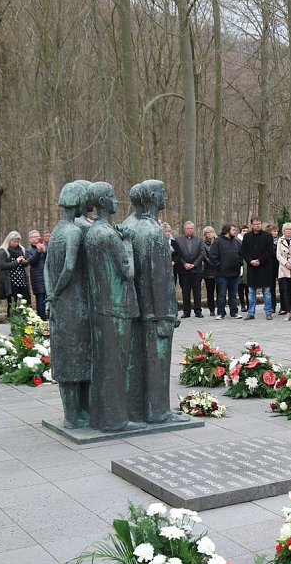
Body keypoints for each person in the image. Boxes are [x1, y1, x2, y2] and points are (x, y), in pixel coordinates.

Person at [121, 179, 184, 426]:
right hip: (155, 311)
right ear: (150, 198)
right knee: (156, 364)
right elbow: (161, 278)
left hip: (135, 308)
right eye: (161, 192)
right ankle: (158, 412)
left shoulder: (128, 225)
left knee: (136, 364)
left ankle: (137, 410)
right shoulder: (153, 231)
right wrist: (166, 314)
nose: (165, 196)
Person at [84, 182, 139, 433]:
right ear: (104, 202)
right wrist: (127, 242)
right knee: (116, 365)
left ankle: (100, 416)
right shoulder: (109, 234)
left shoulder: (93, 232)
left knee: (104, 363)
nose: (117, 200)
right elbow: (127, 272)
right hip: (116, 307)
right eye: (113, 197)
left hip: (100, 306)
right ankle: (116, 420)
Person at [44, 181, 90, 428]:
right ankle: (74, 415)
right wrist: (58, 292)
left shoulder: (57, 230)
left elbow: (47, 269)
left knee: (66, 356)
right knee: (75, 357)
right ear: (78, 203)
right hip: (74, 302)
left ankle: (72, 413)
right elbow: (69, 268)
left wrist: (50, 295)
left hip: (60, 303)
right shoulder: (73, 232)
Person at [241, 217, 275, 320]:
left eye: (259, 223)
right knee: (251, 291)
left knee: (267, 291)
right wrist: (250, 261)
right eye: (255, 224)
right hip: (252, 268)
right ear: (251, 225)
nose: (258, 225)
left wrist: (260, 260)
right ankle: (251, 312)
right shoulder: (247, 237)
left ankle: (268, 312)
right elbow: (244, 252)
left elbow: (270, 251)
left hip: (265, 267)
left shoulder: (268, 236)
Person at [210, 224, 243, 320]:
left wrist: (239, 264)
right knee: (221, 294)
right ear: (227, 230)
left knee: (233, 294)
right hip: (222, 274)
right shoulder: (218, 241)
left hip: (234, 273)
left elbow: (241, 254)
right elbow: (213, 256)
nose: (235, 231)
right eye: (233, 230)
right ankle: (221, 312)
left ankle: (234, 312)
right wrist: (219, 266)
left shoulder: (236, 242)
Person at [175, 221, 206, 318]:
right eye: (188, 228)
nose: (190, 230)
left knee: (197, 291)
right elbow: (177, 254)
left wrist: (193, 264)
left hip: (196, 270)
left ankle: (198, 311)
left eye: (191, 228)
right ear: (184, 229)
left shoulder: (199, 239)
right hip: (183, 270)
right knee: (185, 291)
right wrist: (184, 264)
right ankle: (186, 311)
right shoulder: (178, 240)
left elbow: (202, 253)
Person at [0, 231, 31, 316]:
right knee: (13, 304)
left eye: (18, 241)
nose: (16, 243)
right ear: (9, 240)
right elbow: (2, 265)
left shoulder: (21, 249)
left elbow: (25, 264)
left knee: (25, 302)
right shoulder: (2, 251)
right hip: (10, 282)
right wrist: (16, 262)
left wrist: (24, 262)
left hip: (22, 280)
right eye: (14, 241)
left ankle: (25, 324)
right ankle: (13, 323)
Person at [276, 222, 291, 321]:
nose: (288, 231)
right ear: (283, 230)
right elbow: (278, 255)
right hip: (283, 268)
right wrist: (286, 263)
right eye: (286, 229)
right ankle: (287, 312)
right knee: (285, 291)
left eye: (290, 229)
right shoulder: (280, 240)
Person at [26, 229, 48, 320]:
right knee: (40, 300)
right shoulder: (29, 251)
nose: (36, 238)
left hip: (47, 277)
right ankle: (42, 320)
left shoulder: (46, 247)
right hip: (37, 278)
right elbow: (32, 262)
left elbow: (51, 260)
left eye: (38, 236)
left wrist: (45, 251)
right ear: (30, 239)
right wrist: (38, 252)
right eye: (34, 237)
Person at [201, 226, 217, 316]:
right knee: (210, 292)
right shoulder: (203, 244)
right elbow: (204, 256)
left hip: (219, 271)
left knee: (220, 291)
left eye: (210, 232)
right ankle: (211, 309)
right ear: (205, 235)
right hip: (208, 271)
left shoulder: (218, 242)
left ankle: (220, 308)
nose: (209, 234)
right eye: (207, 233)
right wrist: (213, 264)